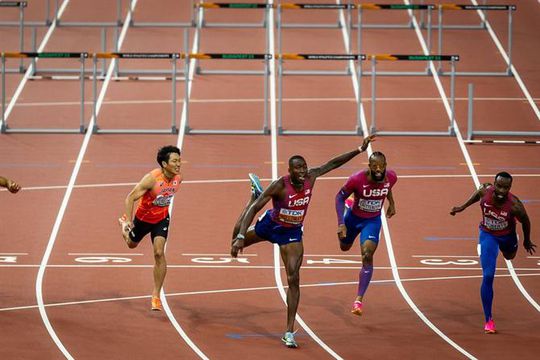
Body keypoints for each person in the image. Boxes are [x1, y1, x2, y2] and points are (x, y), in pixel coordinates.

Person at [230, 135, 375, 348]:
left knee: (294, 278)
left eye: (304, 167)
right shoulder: (280, 185)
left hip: (292, 233)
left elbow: (333, 164)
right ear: (290, 171)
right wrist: (241, 237)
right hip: (270, 226)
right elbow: (256, 209)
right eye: (297, 168)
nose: (302, 171)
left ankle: (289, 331)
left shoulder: (311, 177)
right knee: (234, 237)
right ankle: (253, 196)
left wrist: (359, 149)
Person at [450, 172, 535, 334]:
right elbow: (477, 194)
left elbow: (526, 221)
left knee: (510, 256)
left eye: (506, 187)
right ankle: (488, 320)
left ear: (510, 187)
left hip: (508, 237)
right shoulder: (485, 191)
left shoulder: (515, 205)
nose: (502, 190)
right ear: (494, 184)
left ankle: (510, 247)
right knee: (488, 275)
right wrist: (462, 207)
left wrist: (527, 241)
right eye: (499, 186)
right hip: (488, 235)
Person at [118, 145, 182, 311]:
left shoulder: (178, 178)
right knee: (131, 244)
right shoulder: (151, 179)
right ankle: (124, 227)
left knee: (159, 253)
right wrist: (129, 220)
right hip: (142, 219)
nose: (178, 164)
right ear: (164, 163)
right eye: (174, 161)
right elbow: (130, 197)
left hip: (161, 219)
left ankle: (155, 295)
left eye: (179, 160)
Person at [335, 151, 397, 316]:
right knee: (344, 247)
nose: (378, 169)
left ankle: (358, 300)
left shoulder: (391, 176)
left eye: (381, 166)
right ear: (369, 166)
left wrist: (392, 203)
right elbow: (338, 198)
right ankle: (352, 203)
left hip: (372, 221)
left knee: (367, 254)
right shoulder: (356, 179)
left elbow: (387, 187)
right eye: (375, 166)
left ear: (385, 166)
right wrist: (341, 223)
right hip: (353, 219)